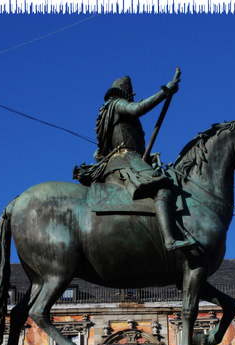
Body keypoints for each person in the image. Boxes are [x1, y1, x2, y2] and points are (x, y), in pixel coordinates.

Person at [75, 71, 195, 251]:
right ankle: (169, 239)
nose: (132, 97)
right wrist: (165, 91)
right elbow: (138, 109)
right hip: (125, 159)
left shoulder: (107, 113)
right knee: (162, 187)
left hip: (124, 159)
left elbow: (101, 151)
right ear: (125, 93)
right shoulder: (117, 105)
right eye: (130, 94)